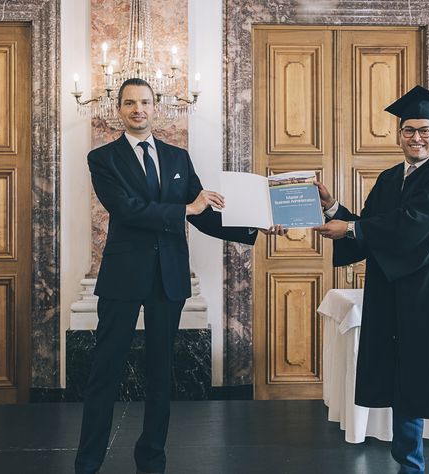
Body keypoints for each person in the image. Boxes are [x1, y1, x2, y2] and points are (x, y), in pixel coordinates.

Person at [74, 78, 282, 474]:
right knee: (105, 370)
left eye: (145, 102)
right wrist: (187, 208)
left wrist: (255, 225)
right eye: (130, 103)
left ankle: (152, 460)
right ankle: (87, 462)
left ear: (156, 107)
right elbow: (127, 209)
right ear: (118, 109)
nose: (138, 109)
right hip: (123, 276)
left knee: (160, 373)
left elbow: (203, 214)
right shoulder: (102, 159)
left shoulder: (178, 158)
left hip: (168, 277)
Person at [314, 86, 429, 474]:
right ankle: (410, 467)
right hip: (392, 292)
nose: (416, 137)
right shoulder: (390, 178)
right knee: (402, 382)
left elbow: (416, 226)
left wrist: (353, 230)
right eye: (409, 130)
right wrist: (333, 208)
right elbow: (371, 225)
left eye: (424, 130)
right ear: (399, 135)